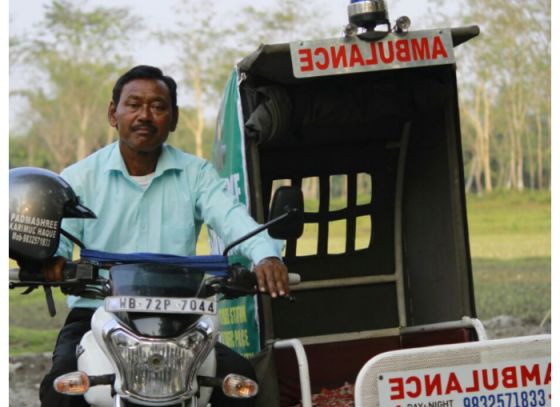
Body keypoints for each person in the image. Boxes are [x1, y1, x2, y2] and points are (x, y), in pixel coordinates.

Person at [39, 65, 289, 407]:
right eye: (134, 105)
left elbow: (231, 218)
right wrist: (50, 262)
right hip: (96, 313)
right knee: (60, 393)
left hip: (182, 316)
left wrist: (266, 254)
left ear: (173, 119)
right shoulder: (78, 179)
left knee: (241, 384)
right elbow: (58, 241)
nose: (145, 115)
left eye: (158, 106)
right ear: (114, 114)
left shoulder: (196, 174)